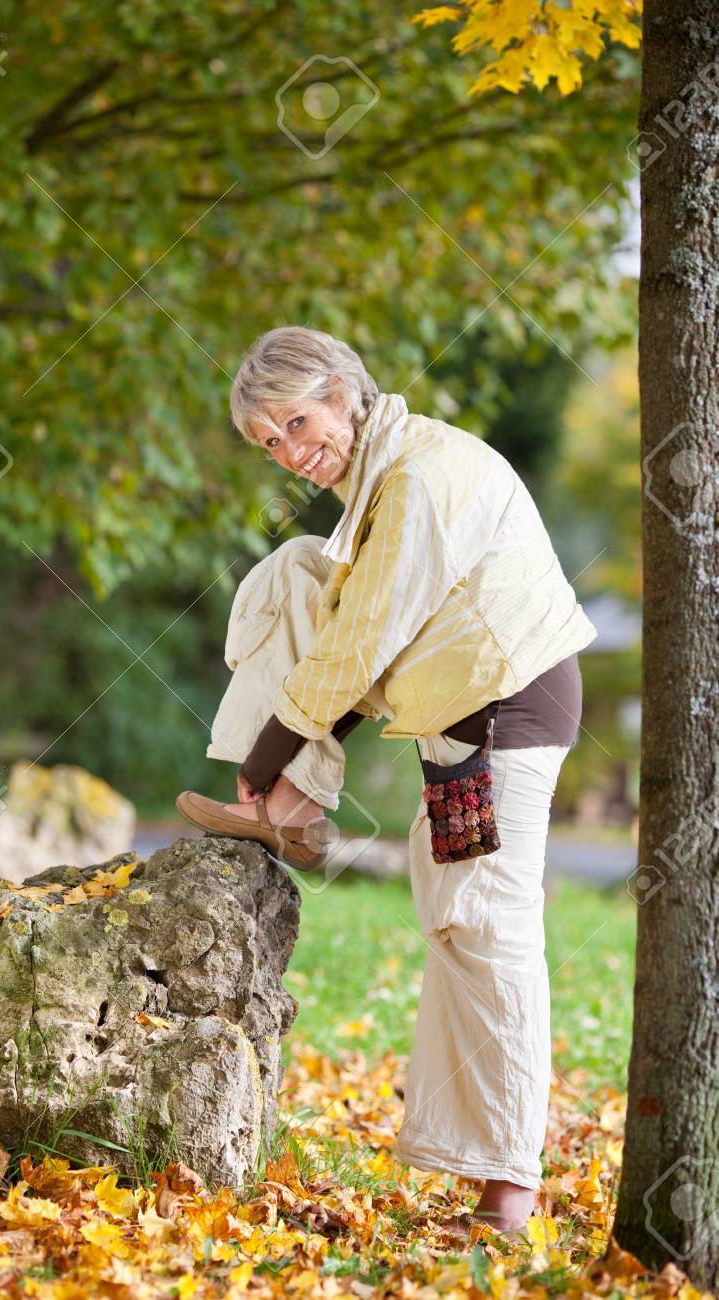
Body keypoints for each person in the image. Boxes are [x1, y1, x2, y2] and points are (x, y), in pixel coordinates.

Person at [176, 325, 597, 1235]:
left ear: (341, 390)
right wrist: (296, 757)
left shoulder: (410, 480)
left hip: (503, 714)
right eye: (270, 443)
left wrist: (270, 752)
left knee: (487, 926)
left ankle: (511, 1194)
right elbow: (364, 629)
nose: (292, 453)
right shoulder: (378, 480)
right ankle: (296, 815)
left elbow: (365, 639)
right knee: (294, 570)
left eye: (295, 423)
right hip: (459, 715)